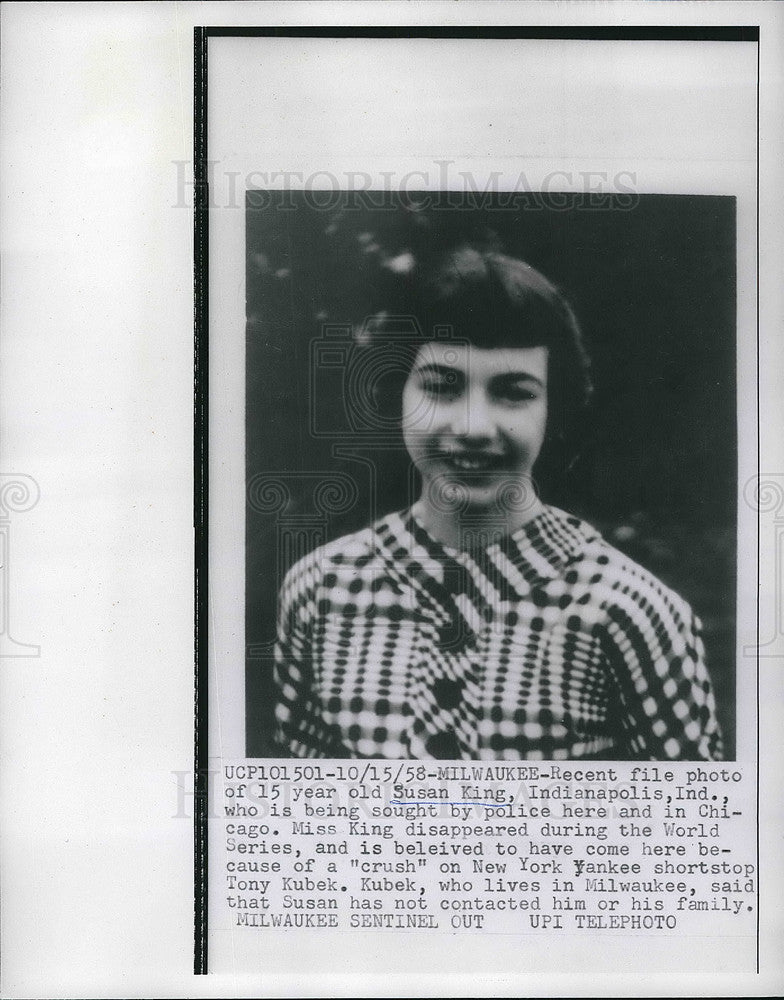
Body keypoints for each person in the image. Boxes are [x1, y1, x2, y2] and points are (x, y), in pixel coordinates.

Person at [272, 244, 723, 760]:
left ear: (555, 409)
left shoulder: (625, 610)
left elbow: (690, 829)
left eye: (514, 392)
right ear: (395, 393)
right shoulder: (321, 589)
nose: (474, 428)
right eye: (441, 387)